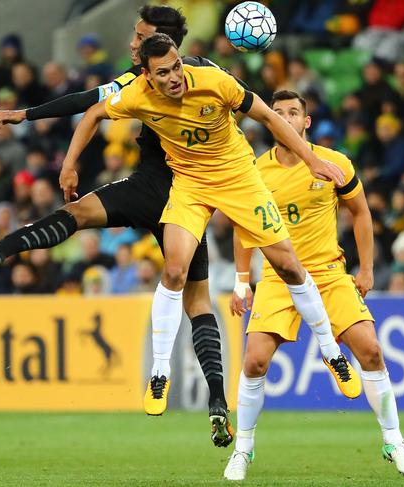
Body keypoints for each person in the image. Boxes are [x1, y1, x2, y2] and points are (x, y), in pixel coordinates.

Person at [0, 5, 234, 447]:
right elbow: (92, 105)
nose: (133, 43)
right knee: (193, 297)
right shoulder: (176, 74)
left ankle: (214, 399)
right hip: (168, 189)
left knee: (183, 285)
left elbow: (90, 101)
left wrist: (25, 115)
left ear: (164, 39)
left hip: (176, 192)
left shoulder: (168, 75)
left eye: (140, 37)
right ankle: (218, 402)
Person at [60, 33, 361, 437]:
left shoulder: (216, 82)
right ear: (147, 77)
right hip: (190, 187)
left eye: (176, 66)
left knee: (289, 265)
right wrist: (69, 165)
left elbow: (270, 119)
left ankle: (329, 351)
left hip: (239, 180)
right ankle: (160, 372)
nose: (174, 78)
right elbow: (95, 113)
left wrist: (311, 160)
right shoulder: (136, 96)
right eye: (162, 73)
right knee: (174, 271)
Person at [223, 90, 404, 481]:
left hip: (329, 273)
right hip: (279, 279)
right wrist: (242, 281)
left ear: (306, 121)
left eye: (293, 113)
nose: (285, 118)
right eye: (277, 113)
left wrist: (366, 270)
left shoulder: (333, 162)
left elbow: (360, 211)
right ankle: (242, 450)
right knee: (254, 361)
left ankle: (394, 440)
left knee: (372, 351)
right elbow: (243, 227)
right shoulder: (255, 171)